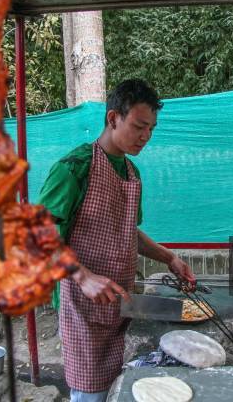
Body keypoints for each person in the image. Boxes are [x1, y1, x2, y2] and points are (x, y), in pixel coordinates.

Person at [38, 79, 196, 402]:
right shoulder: (75, 168)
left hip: (118, 302)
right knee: (89, 393)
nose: (146, 137)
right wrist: (82, 276)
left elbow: (127, 231)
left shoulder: (132, 174)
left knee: (116, 389)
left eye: (151, 129)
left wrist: (169, 258)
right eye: (139, 126)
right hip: (82, 306)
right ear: (113, 119)